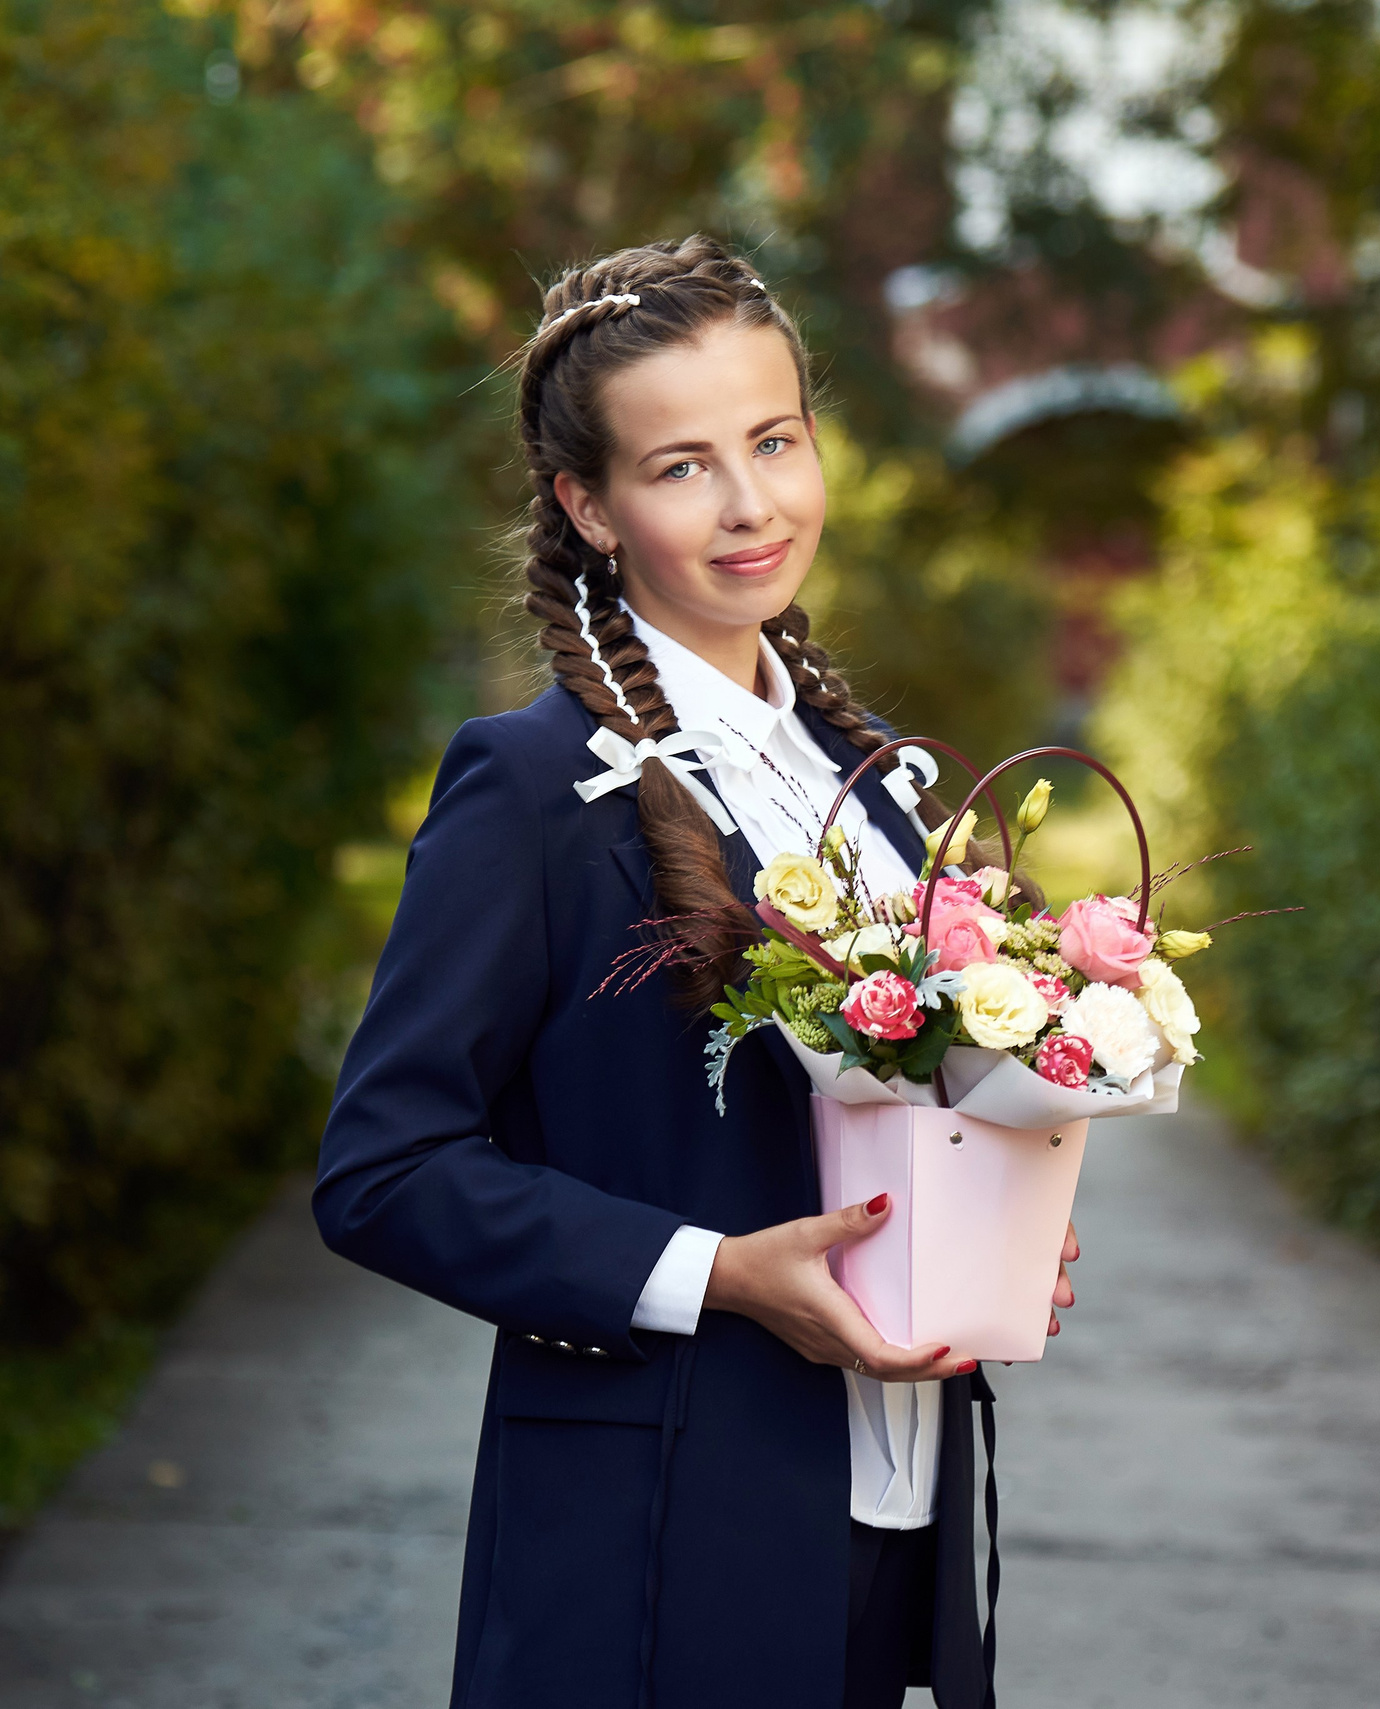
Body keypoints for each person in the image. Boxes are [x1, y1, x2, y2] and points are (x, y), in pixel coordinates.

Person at [314, 234, 1077, 1709]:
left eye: (775, 441)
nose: (750, 506)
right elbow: (383, 1169)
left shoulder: (874, 783)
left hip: (894, 1523)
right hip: (655, 1547)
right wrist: (717, 1276)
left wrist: (1001, 1217)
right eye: (681, 467)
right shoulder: (531, 788)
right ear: (588, 507)